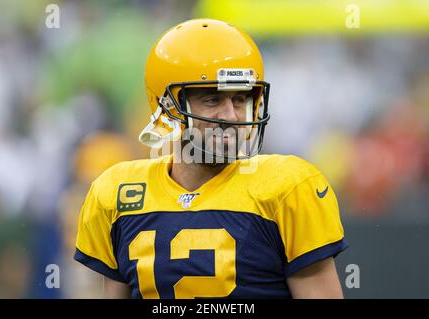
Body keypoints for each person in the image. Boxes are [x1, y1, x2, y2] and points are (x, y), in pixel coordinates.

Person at [74, 18, 348, 299]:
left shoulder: (288, 189)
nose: (230, 115)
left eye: (240, 100)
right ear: (169, 108)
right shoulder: (118, 192)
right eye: (212, 100)